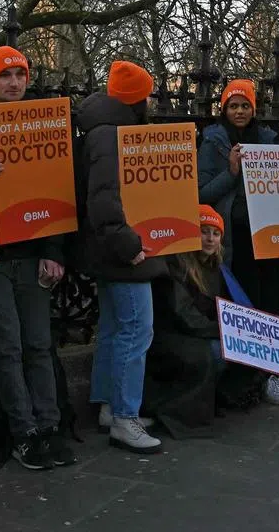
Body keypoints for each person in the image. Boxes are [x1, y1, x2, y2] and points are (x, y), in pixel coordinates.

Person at [0, 46, 75, 470]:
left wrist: (54, 251)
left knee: (40, 345)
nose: (13, 82)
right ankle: (22, 432)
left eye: (20, 75)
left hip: (32, 255)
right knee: (7, 348)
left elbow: (58, 189)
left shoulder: (42, 122)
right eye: (4, 75)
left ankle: (50, 427)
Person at [78, 60, 168, 453]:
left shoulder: (101, 130)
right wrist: (129, 246)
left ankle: (109, 405)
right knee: (136, 329)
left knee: (115, 329)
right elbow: (105, 200)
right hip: (122, 250)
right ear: (139, 100)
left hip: (106, 248)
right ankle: (124, 417)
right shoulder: (113, 136)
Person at [197, 78, 279, 406]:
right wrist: (231, 171)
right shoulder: (211, 141)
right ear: (223, 109)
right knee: (245, 308)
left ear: (253, 109)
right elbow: (201, 194)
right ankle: (247, 381)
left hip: (269, 235)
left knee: (272, 303)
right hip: (235, 239)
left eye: (245, 105)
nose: (239, 111)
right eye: (233, 105)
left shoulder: (270, 140)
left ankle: (275, 376)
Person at [143, 206, 264, 437]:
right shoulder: (178, 265)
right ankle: (180, 409)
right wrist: (223, 332)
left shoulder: (217, 268)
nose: (209, 238)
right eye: (204, 231)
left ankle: (209, 401)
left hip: (198, 331)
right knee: (218, 351)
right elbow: (184, 315)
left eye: (215, 233)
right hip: (174, 334)